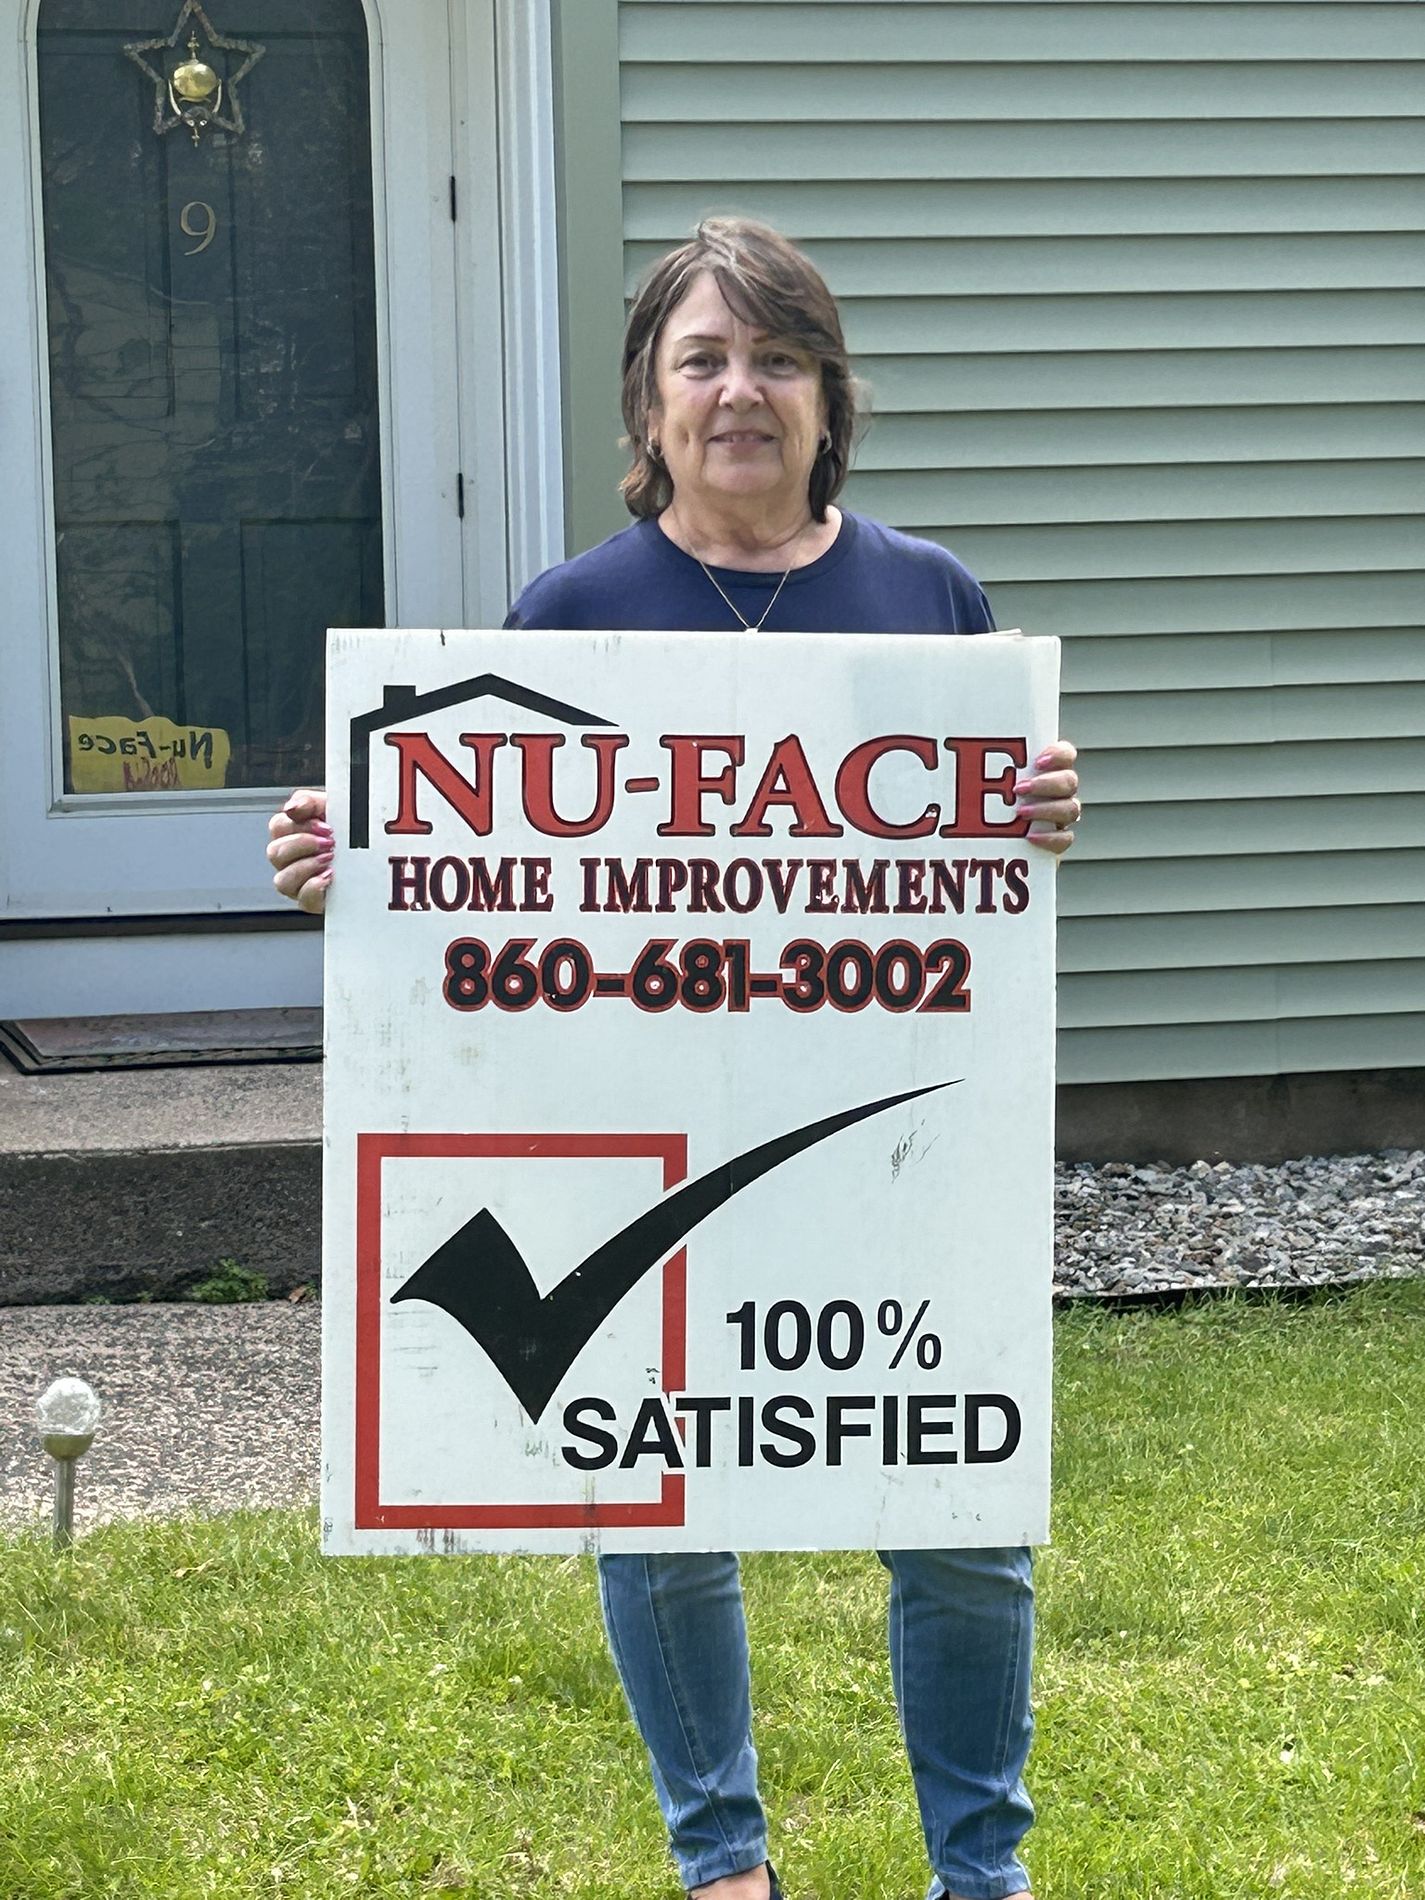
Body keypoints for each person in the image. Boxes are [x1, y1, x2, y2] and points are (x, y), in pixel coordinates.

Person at [269, 219, 1080, 1900]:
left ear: (828, 399)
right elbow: (481, 868)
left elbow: (983, 861)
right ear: (649, 404)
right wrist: (354, 861)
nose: (739, 392)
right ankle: (724, 1865)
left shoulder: (930, 598)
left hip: (893, 1130)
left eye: (777, 359)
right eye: (702, 360)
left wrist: (1038, 813)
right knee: (659, 1503)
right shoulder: (571, 612)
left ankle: (981, 1873)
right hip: (637, 1130)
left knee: (957, 1510)